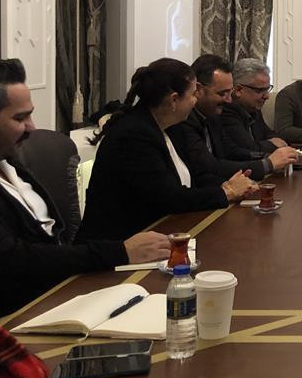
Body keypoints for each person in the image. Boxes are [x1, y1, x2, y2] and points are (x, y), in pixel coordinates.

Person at [0, 60, 170, 319]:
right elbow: (11, 260)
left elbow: (52, 241)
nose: (32, 127)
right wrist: (120, 252)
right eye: (20, 118)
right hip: (13, 321)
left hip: (65, 294)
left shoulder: (3, 158)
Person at [78, 58, 254, 242]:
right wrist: (226, 192)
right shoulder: (133, 136)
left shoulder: (172, 127)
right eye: (193, 95)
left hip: (163, 231)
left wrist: (229, 184)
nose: (195, 100)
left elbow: (197, 176)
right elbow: (169, 198)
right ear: (174, 100)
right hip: (120, 245)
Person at [168, 54, 298, 182]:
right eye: (222, 93)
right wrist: (267, 164)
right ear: (198, 89)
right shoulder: (183, 119)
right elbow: (209, 166)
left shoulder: (212, 114)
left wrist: (266, 157)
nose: (229, 100)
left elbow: (230, 151)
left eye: (229, 92)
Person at [220, 58, 290, 158]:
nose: (267, 96)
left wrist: (271, 142)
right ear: (238, 90)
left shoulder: (253, 108)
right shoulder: (226, 110)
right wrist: (271, 144)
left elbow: (270, 134)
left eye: (268, 89)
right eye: (260, 90)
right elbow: (247, 148)